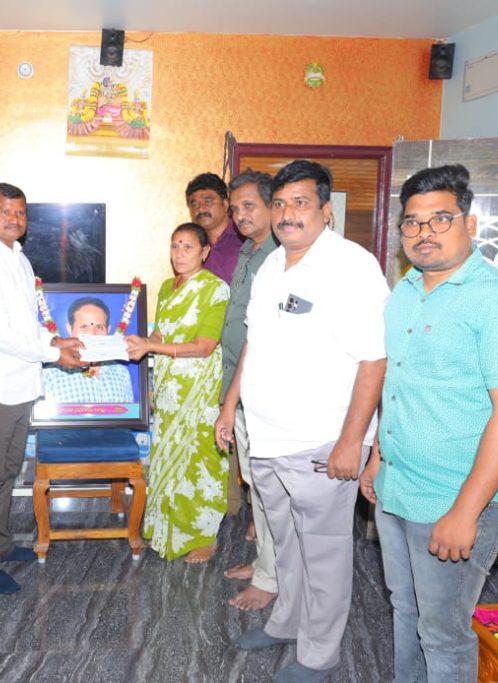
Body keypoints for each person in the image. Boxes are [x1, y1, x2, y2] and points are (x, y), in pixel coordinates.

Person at [360, 165, 498, 682]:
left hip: (457, 498)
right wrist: (377, 457)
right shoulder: (404, 292)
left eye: (440, 218)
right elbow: (396, 385)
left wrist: (466, 512)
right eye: (412, 222)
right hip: (397, 487)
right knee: (405, 609)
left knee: (443, 631)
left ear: (471, 223)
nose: (424, 232)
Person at [233, 160, 388, 683]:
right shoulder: (271, 265)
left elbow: (374, 359)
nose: (287, 214)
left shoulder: (351, 266)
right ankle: (286, 622)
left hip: (321, 441)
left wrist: (352, 442)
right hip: (267, 437)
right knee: (285, 542)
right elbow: (254, 343)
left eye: (300, 203)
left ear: (326, 211)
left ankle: (320, 654)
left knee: (323, 553)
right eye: (279, 204)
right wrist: (232, 405)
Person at [0, 182, 84, 594]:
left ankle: (2, 543)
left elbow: (25, 325)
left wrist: (55, 339)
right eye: (5, 211)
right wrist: (54, 352)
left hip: (18, 385)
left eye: (21, 212)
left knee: (7, 471)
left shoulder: (18, 258)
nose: (14, 219)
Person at [126, 223, 230, 564]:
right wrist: (143, 343)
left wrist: (152, 347)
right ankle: (166, 527)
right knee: (168, 455)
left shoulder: (216, 289)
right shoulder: (168, 287)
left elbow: (204, 346)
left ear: (205, 251)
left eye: (188, 247)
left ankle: (204, 537)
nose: (179, 254)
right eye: (175, 246)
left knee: (199, 460)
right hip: (169, 387)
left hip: (199, 388)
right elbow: (160, 334)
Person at [213, 170, 279, 611]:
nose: (239, 215)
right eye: (235, 208)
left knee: (269, 486)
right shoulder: (247, 251)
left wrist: (234, 396)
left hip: (261, 388)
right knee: (255, 481)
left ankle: (272, 578)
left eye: (249, 206)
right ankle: (264, 564)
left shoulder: (280, 254)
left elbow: (263, 334)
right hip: (238, 382)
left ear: (273, 205)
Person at [186, 172, 246, 517]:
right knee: (215, 427)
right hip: (203, 357)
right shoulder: (193, 245)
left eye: (208, 200)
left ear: (226, 204)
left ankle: (240, 509)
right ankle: (216, 504)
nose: (200, 208)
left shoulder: (243, 246)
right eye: (194, 203)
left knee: (241, 430)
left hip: (239, 352)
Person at [41, 296, 134, 404]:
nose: (92, 334)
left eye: (99, 327)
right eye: (84, 327)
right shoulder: (51, 375)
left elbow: (129, 413)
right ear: (70, 329)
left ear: (108, 330)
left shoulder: (121, 373)